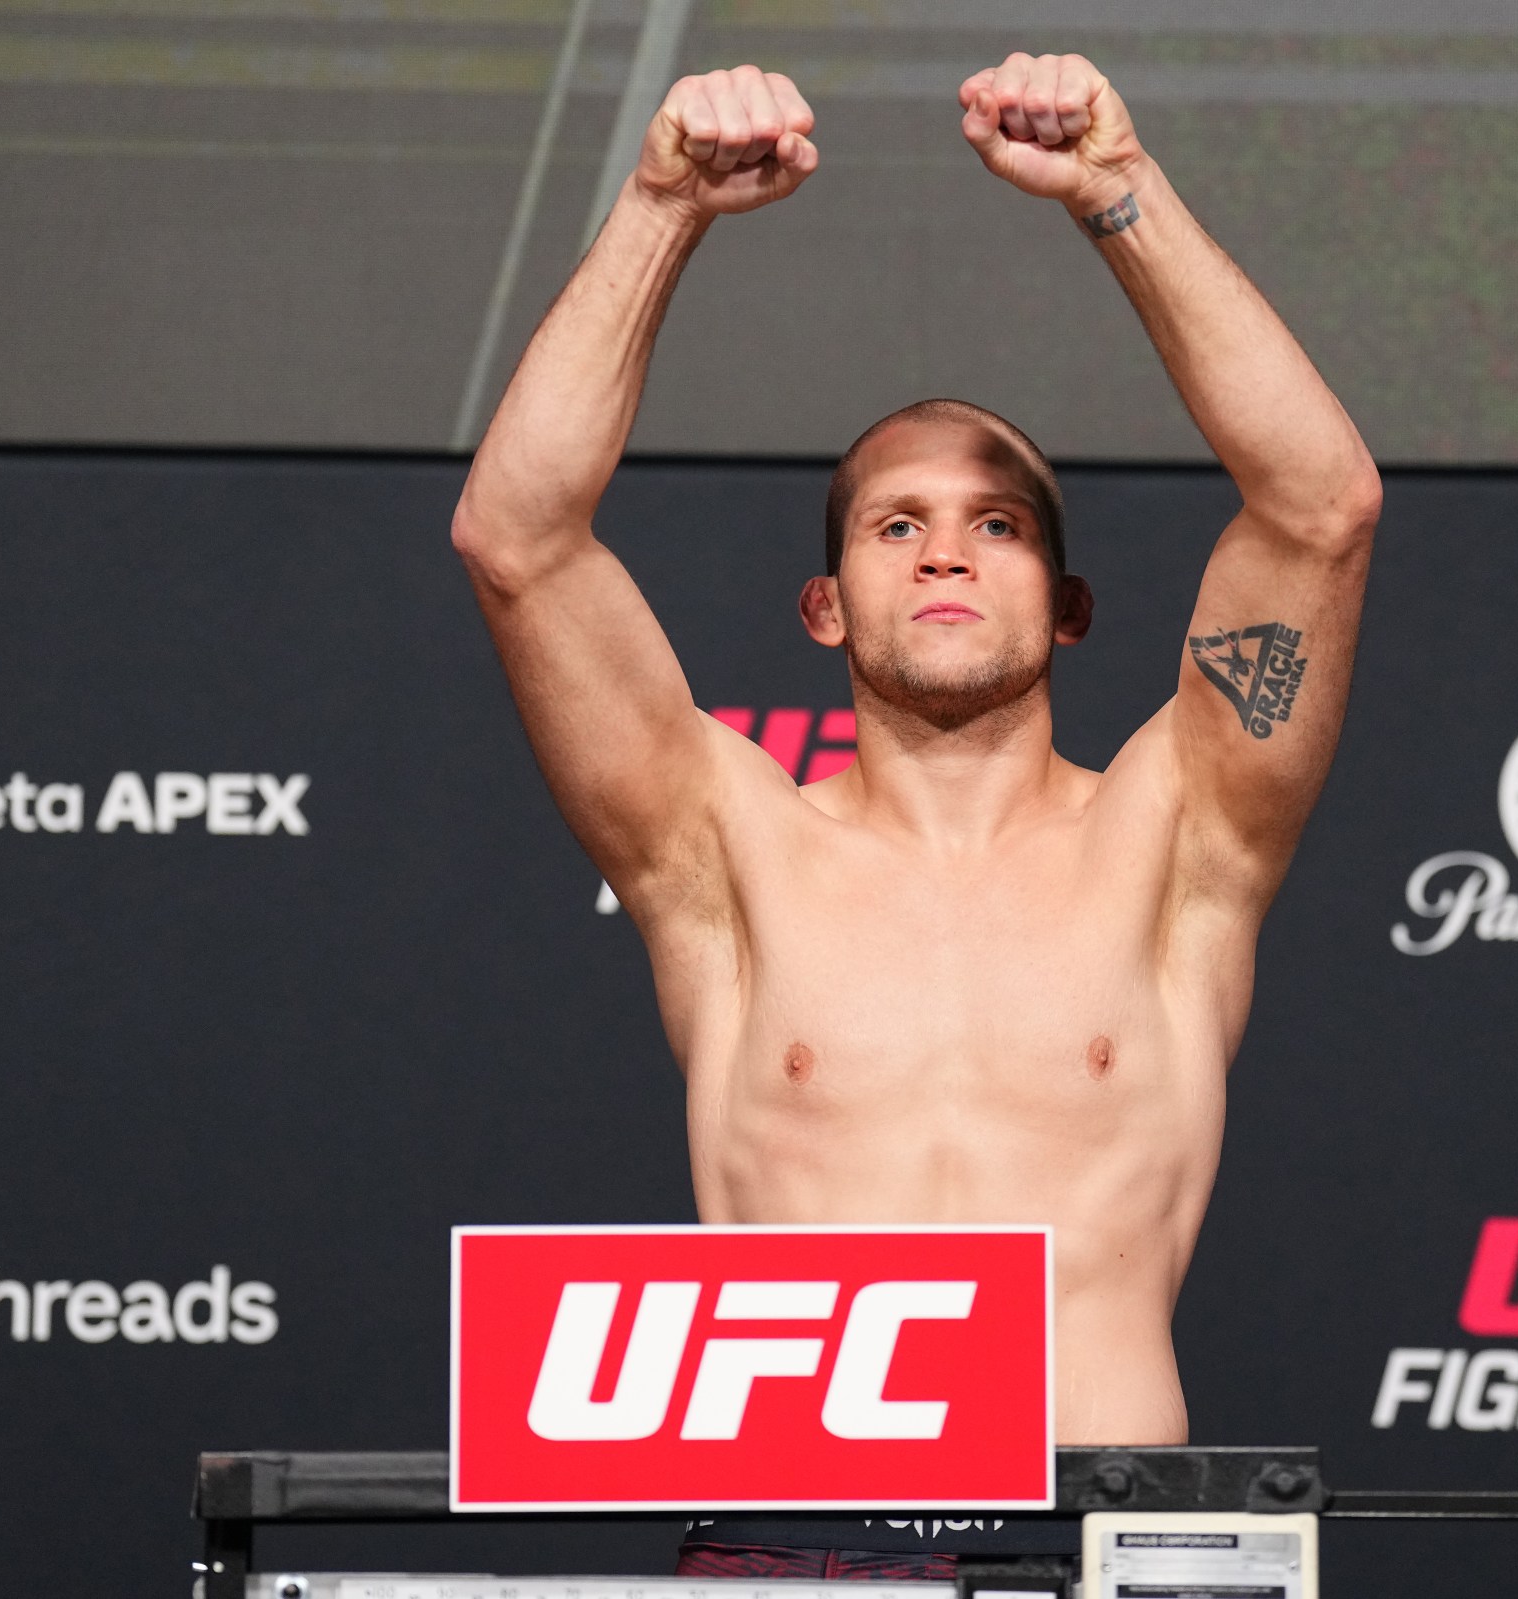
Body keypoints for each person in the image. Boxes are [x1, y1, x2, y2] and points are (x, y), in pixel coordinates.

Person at [450, 50, 1380, 1579]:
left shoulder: (1181, 831)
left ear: (1071, 606)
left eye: (997, 527)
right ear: (826, 607)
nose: (947, 554)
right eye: (900, 525)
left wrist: (1117, 194)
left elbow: (1318, 507)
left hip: (1111, 1541)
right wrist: (660, 203)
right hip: (793, 1540)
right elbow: (518, 538)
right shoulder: (722, 850)